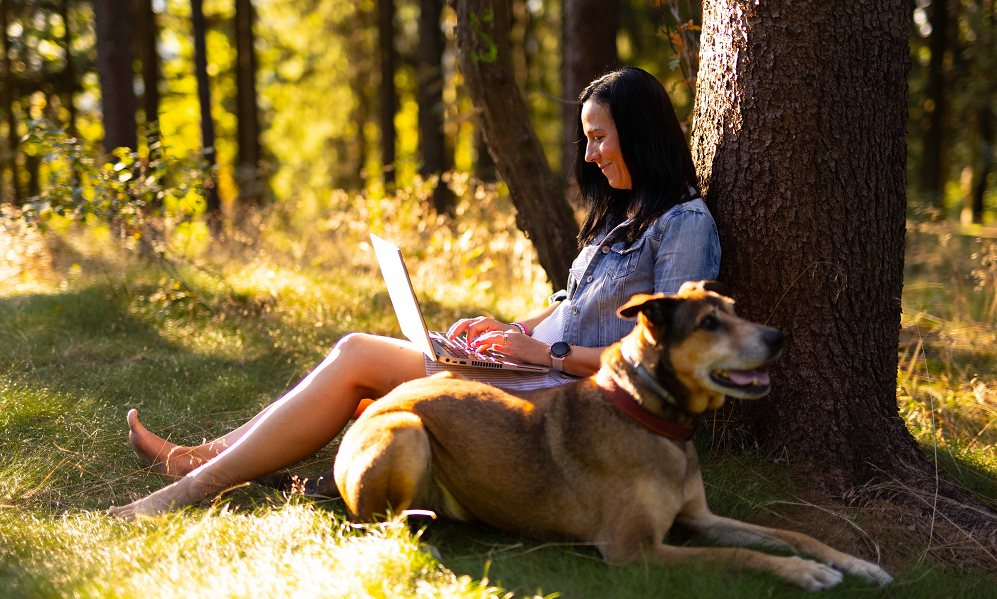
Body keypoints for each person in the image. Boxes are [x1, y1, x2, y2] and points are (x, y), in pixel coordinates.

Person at [108, 66, 721, 519]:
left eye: (599, 138)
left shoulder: (685, 225)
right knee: (362, 355)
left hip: (582, 403)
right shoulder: (626, 213)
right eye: (585, 139)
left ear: (638, 134)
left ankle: (191, 485)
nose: (589, 155)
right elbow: (573, 304)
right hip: (542, 372)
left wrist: (545, 357)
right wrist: (506, 333)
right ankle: (202, 459)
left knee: (358, 356)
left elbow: (670, 356)